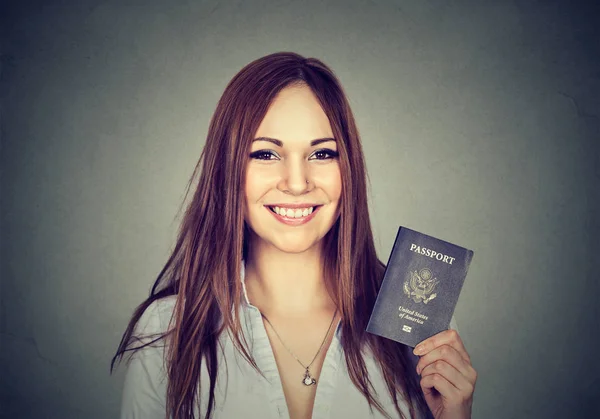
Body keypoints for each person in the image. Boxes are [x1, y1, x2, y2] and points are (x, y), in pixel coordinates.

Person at [111, 52, 477, 419]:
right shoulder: (167, 332)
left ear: (348, 168)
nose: (298, 183)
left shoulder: (420, 329)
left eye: (321, 153)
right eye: (266, 154)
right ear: (228, 168)